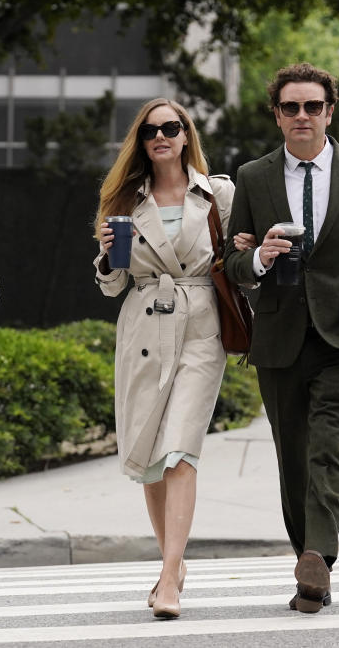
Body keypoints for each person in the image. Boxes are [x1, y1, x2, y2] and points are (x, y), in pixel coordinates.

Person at [223, 63, 339, 613]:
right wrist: (257, 257)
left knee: (328, 447)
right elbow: (231, 265)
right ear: (277, 115)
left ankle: (319, 555)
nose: (303, 116)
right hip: (278, 337)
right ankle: (310, 562)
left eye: (313, 106)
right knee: (292, 458)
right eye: (291, 107)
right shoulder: (252, 177)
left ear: (330, 111)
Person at [93, 98, 244, 620]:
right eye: (150, 130)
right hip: (142, 324)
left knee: (180, 450)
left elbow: (238, 259)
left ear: (186, 136)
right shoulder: (123, 199)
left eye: (170, 128)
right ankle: (171, 564)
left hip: (201, 324)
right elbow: (112, 287)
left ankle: (168, 578)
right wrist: (109, 257)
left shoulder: (218, 192)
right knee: (152, 460)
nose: (161, 136)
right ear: (141, 140)